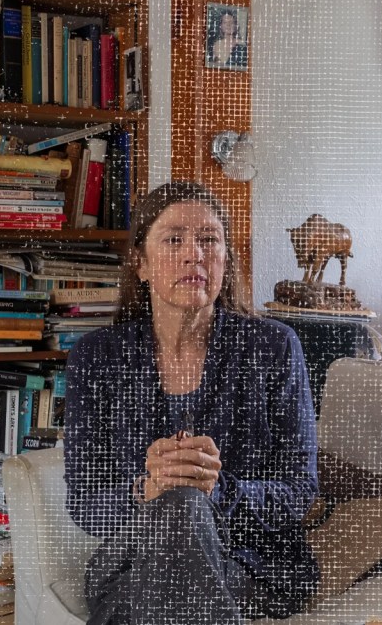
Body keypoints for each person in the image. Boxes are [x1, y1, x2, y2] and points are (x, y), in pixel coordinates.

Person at [65, 181, 319, 624]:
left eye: (208, 239)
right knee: (179, 507)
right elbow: (86, 503)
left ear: (226, 260)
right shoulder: (96, 357)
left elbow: (299, 491)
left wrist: (217, 490)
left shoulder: (274, 347)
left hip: (249, 566)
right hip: (135, 558)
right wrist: (148, 491)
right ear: (141, 263)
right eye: (173, 240)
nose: (194, 254)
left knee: (185, 508)